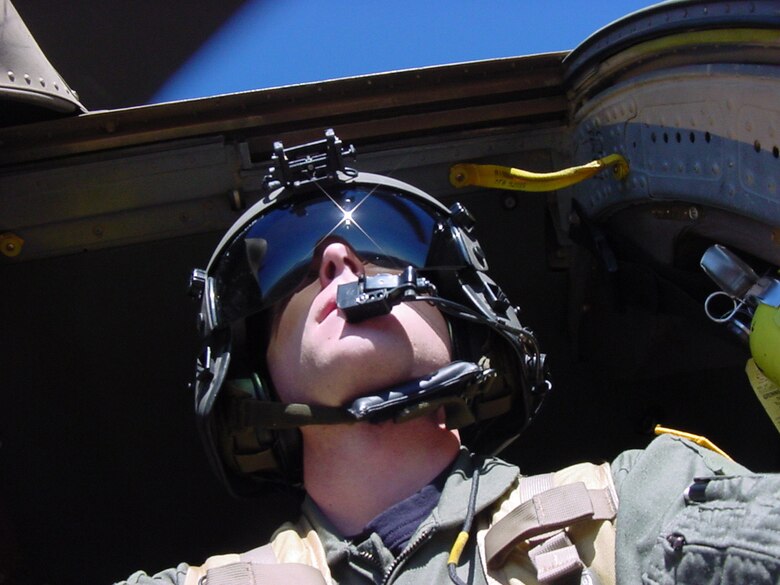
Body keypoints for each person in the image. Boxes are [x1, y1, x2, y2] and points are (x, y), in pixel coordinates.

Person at [118, 131, 778, 585]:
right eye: (286, 265)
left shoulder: (638, 507)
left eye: (387, 242)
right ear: (252, 370)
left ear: (460, 319)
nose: (338, 258)